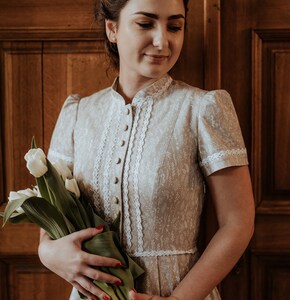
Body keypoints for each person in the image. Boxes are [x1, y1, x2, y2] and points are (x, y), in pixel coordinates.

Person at [38, 0, 255, 299]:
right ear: (112, 28)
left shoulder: (203, 108)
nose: (162, 40)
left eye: (175, 27)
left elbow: (238, 223)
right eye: (145, 24)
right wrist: (48, 252)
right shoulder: (77, 114)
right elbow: (49, 217)